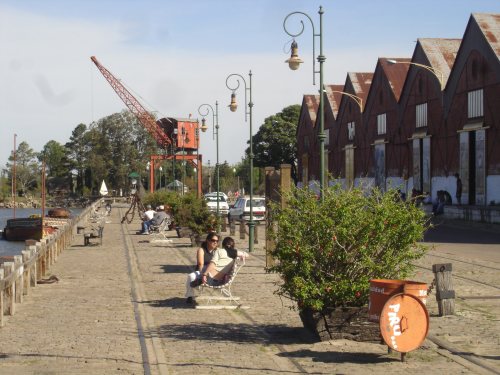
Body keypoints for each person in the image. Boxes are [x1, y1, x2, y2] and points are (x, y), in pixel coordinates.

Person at [185, 232, 220, 303]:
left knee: (191, 277)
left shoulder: (217, 251)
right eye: (213, 240)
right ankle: (190, 295)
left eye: (216, 241)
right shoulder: (201, 250)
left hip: (212, 272)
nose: (215, 242)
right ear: (208, 240)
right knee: (191, 276)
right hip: (202, 271)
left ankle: (197, 285)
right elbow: (200, 264)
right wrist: (202, 275)